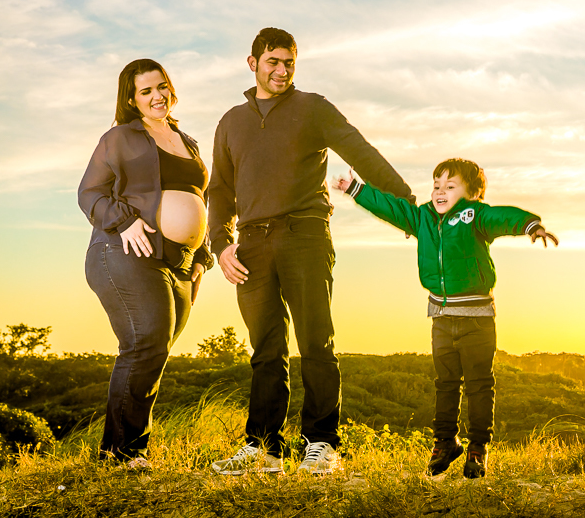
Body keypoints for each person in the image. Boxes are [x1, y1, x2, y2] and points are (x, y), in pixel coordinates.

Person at [208, 27, 414, 475]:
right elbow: (219, 191)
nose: (281, 70)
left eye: (289, 63)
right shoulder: (230, 122)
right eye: (273, 62)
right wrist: (220, 244)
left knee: (315, 342)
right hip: (252, 243)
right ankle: (263, 448)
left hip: (305, 234)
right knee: (265, 349)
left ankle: (321, 444)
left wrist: (406, 205)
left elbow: (362, 152)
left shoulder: (313, 108)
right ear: (253, 64)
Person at [333, 158, 558, 478]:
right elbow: (393, 208)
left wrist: (530, 225)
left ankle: (478, 447)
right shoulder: (422, 217)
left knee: (480, 385)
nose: (440, 192)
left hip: (477, 320)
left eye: (450, 187)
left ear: (472, 193)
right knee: (446, 384)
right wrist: (356, 189)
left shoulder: (474, 215)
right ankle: (445, 442)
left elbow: (502, 216)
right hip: (441, 317)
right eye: (436, 185)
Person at [78, 59, 213, 467]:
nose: (158, 96)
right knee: (145, 343)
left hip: (180, 261)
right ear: (132, 100)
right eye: (146, 91)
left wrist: (201, 256)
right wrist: (124, 222)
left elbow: (199, 198)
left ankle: (121, 451)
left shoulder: (186, 140)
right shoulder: (119, 137)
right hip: (125, 252)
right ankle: (121, 455)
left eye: (163, 87)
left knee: (156, 351)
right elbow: (89, 193)